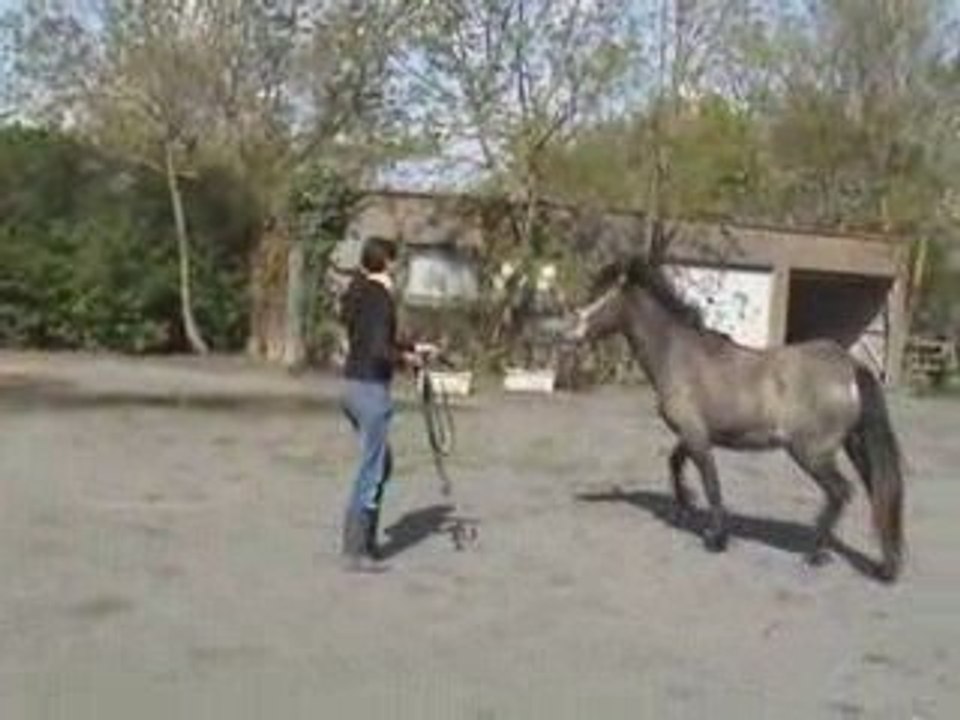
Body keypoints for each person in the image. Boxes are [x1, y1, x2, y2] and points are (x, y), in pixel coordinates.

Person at [337, 236, 419, 572]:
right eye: (396, 261)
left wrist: (412, 347)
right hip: (371, 388)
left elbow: (374, 337)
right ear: (387, 262)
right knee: (372, 469)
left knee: (380, 464)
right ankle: (357, 549)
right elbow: (377, 350)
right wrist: (406, 360)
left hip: (352, 386)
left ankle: (363, 541)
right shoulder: (381, 297)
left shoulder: (359, 294)